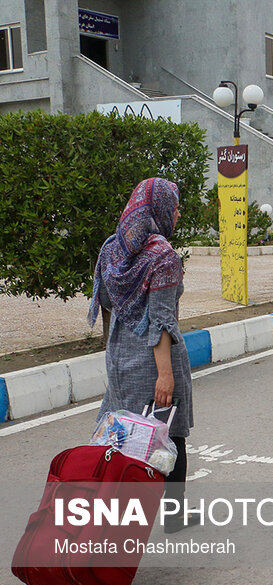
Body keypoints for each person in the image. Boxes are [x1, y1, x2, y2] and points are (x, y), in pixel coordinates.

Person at [87, 177, 193, 534]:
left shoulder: (111, 249)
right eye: (174, 207)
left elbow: (103, 302)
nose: (177, 214)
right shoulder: (162, 255)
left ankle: (110, 511)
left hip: (118, 357)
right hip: (153, 362)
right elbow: (161, 322)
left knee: (119, 435)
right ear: (158, 209)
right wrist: (165, 374)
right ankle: (162, 517)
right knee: (169, 435)